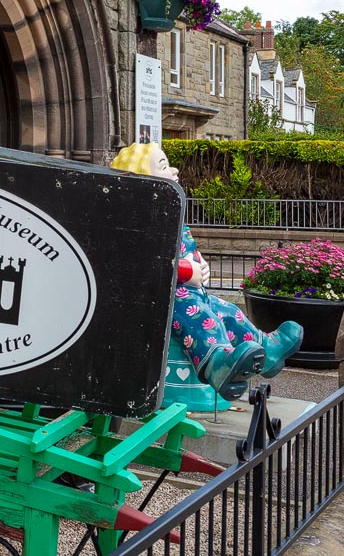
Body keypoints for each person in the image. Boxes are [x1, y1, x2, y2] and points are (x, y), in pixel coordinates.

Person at [110, 143, 303, 403]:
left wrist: (201, 265)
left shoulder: (170, 213)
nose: (175, 171)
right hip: (161, 302)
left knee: (229, 312)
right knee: (200, 320)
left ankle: (266, 352)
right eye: (164, 166)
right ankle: (217, 364)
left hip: (190, 296)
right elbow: (148, 261)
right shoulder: (137, 222)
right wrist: (189, 271)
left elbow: (185, 250)